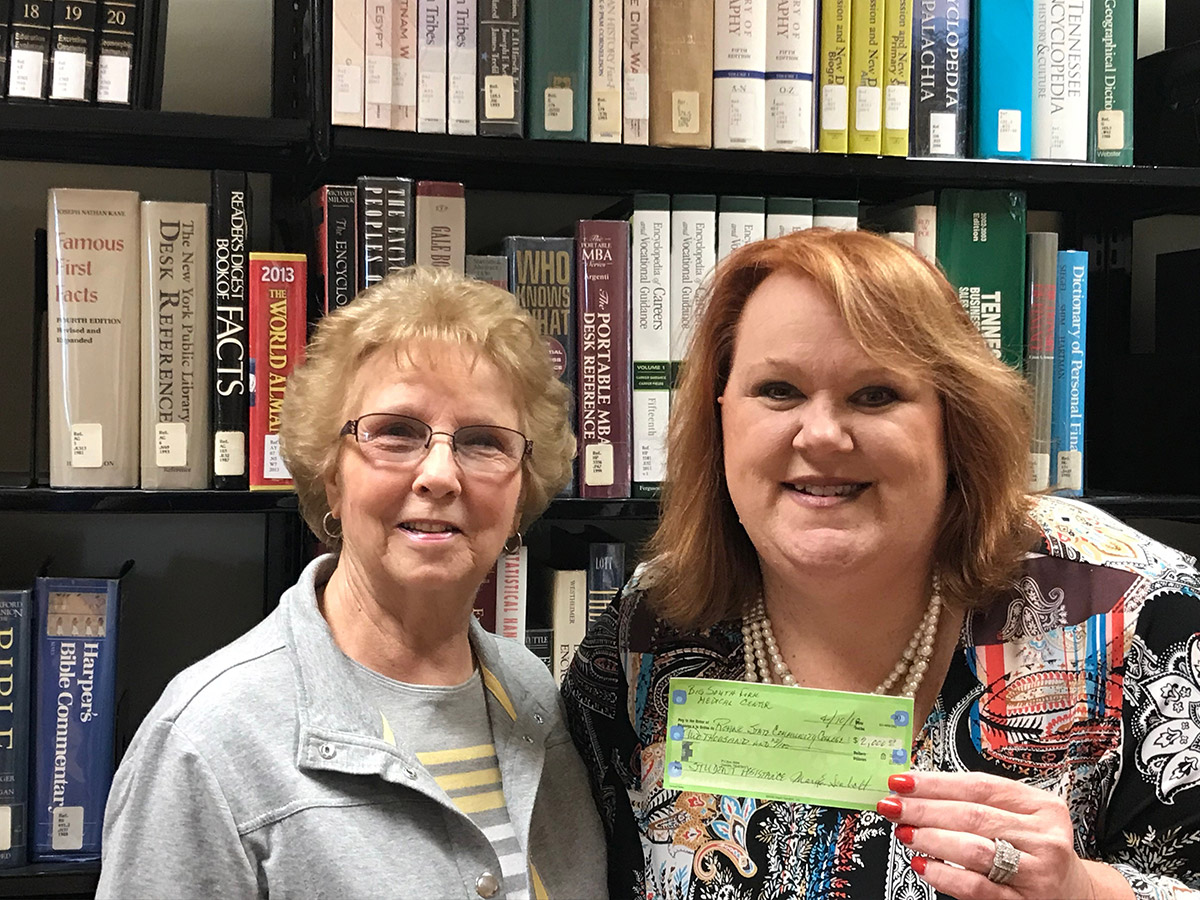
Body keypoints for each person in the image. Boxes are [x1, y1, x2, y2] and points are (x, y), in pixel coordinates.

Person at [563, 228, 1200, 899]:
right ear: (720, 413)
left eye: (875, 395)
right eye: (778, 390)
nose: (822, 435)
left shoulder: (1138, 608)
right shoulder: (655, 625)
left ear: (953, 420)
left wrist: (1084, 891)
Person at [98, 266, 606, 898]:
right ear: (331, 476)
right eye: (396, 432)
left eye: (483, 442)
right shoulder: (207, 742)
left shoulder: (536, 698)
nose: (441, 475)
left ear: (521, 492)